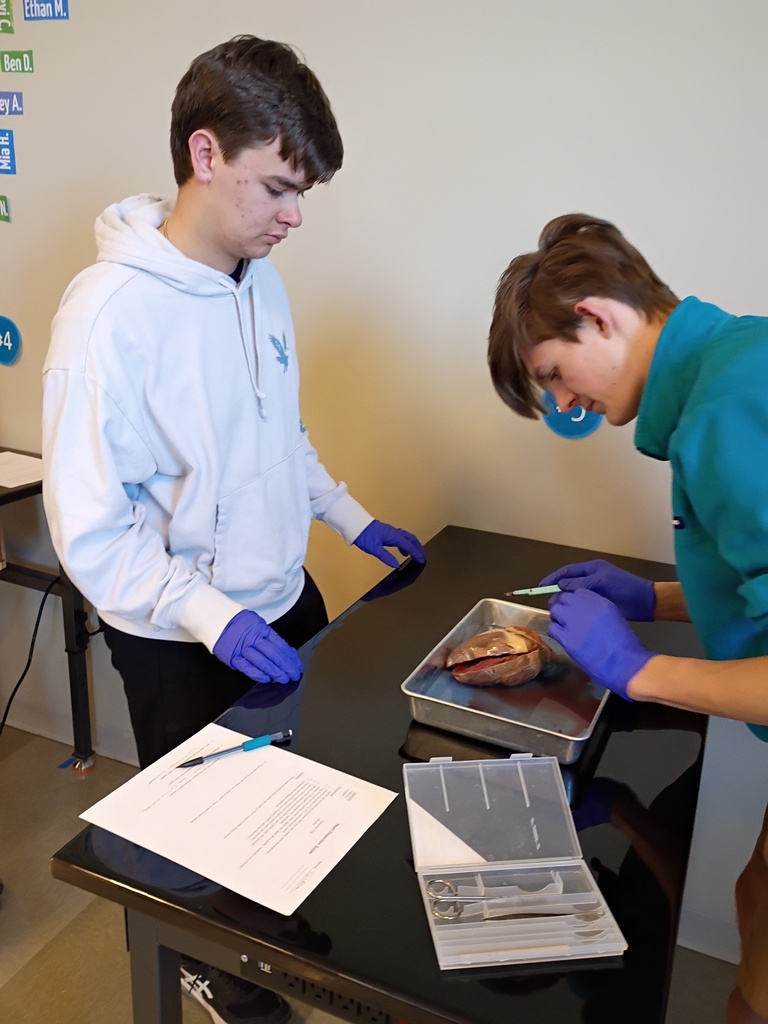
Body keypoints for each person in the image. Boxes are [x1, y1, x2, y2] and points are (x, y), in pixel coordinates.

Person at [42, 35, 425, 1024]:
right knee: (202, 872)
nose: (295, 216)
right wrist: (207, 612)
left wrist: (347, 514)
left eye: (305, 193)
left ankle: (272, 982)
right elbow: (92, 531)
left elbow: (276, 434)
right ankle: (222, 998)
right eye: (278, 188)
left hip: (284, 604)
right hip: (181, 643)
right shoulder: (109, 315)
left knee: (297, 836)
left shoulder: (259, 279)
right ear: (205, 155)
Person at [487, 213, 768, 1024]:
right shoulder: (736, 359)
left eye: (556, 373)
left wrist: (638, 668)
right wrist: (653, 600)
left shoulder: (723, 418)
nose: (566, 402)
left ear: (599, 315)